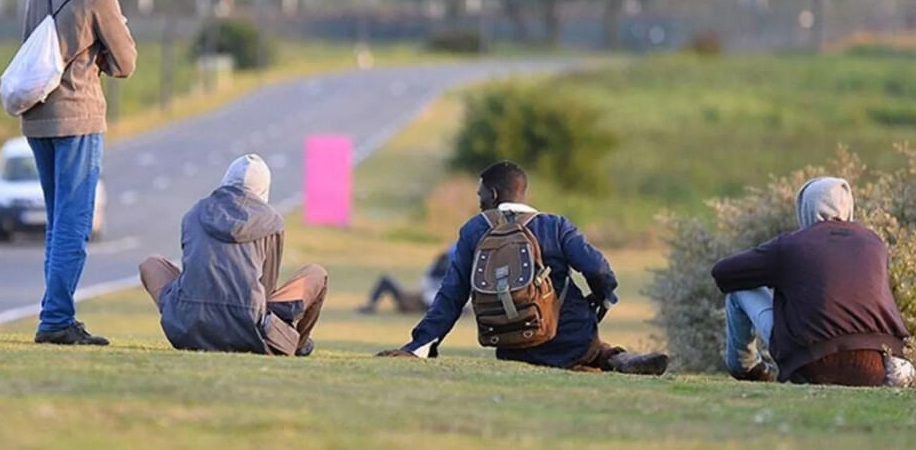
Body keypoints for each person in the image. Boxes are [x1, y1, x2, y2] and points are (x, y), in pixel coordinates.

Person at [377, 161, 669, 375]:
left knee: (571, 350)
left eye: (480, 196)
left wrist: (419, 346)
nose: (479, 203)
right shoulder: (554, 225)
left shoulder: (474, 230)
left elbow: (451, 296)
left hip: (510, 345)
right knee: (590, 344)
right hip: (569, 339)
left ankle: (604, 360)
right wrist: (603, 297)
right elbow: (599, 270)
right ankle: (612, 358)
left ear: (492, 194)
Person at [23, 0, 137, 346]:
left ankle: (54, 313)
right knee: (75, 222)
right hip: (78, 115)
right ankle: (56, 319)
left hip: (36, 114)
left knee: (57, 222)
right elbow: (125, 62)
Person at [711, 177, 914, 386]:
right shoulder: (874, 243)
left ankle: (747, 369)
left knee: (739, 290)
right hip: (876, 369)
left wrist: (776, 276)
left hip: (812, 366)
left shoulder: (790, 245)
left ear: (805, 209)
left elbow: (723, 273)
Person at [139, 155, 328, 356]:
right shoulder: (272, 222)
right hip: (248, 334)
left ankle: (191, 319)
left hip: (188, 329)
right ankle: (296, 343)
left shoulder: (194, 212)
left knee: (150, 265)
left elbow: (192, 269)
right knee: (317, 274)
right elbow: (267, 288)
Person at [357, 249, 452, 315]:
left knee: (386, 280)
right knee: (386, 280)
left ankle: (370, 305)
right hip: (415, 300)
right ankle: (370, 305)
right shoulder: (440, 277)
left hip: (415, 302)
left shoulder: (440, 278)